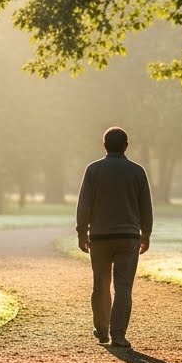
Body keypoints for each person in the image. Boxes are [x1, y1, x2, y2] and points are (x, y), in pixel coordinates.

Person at [75, 126, 153, 348]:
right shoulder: (137, 171)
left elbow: (84, 204)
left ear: (104, 145)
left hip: (99, 237)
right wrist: (146, 234)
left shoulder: (93, 170)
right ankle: (118, 334)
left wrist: (82, 232)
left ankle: (102, 330)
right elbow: (145, 206)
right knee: (123, 287)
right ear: (126, 146)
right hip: (128, 237)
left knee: (100, 283)